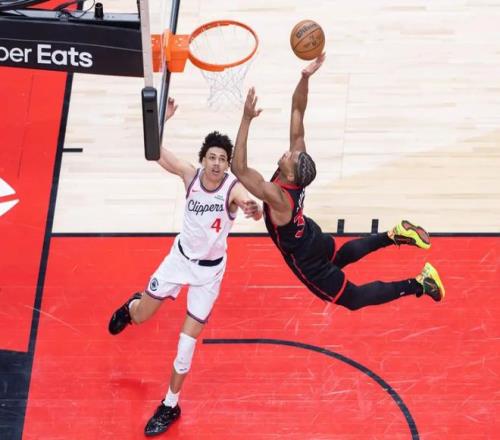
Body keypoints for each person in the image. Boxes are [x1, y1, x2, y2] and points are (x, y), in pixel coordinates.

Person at [231, 53, 445, 311]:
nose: (288, 153)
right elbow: (298, 109)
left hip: (305, 256)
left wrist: (246, 118)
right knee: (339, 256)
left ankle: (420, 283)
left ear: (290, 176)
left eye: (290, 157)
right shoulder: (295, 171)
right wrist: (305, 77)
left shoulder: (278, 197)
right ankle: (394, 235)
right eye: (292, 153)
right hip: (310, 234)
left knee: (353, 299)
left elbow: (239, 168)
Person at [108, 97, 262, 436]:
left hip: (209, 274)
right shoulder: (190, 176)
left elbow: (245, 201)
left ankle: (170, 404)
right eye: (212, 157)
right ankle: (132, 307)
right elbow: (155, 153)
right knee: (142, 316)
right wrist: (161, 120)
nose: (217, 163)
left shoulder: (231, 188)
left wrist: (252, 208)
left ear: (227, 164)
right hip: (178, 261)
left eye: (222, 159)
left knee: (185, 345)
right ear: (203, 159)